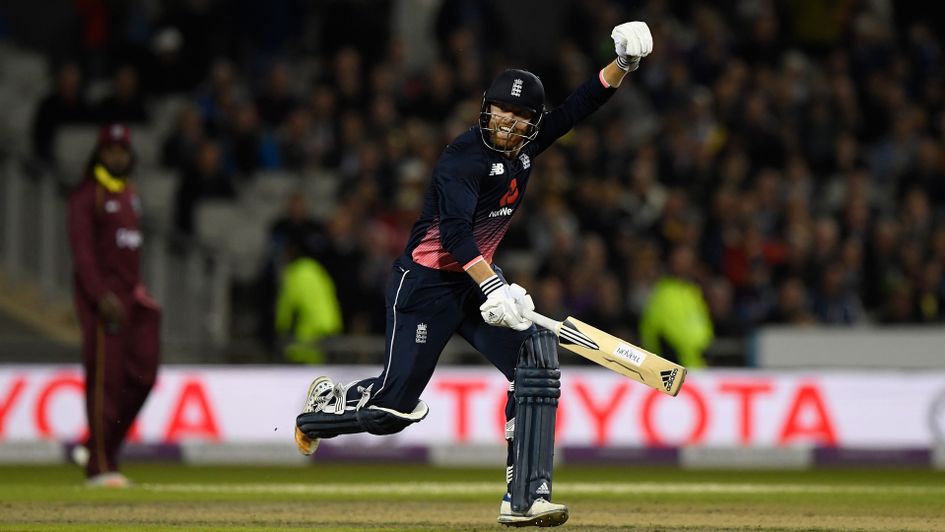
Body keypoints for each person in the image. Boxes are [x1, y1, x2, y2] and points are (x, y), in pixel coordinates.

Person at [294, 21, 653, 527]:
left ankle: (525, 496)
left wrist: (625, 65)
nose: (508, 121)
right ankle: (323, 408)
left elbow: (578, 107)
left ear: (532, 121)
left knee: (534, 366)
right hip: (426, 286)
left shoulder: (528, 147)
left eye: (520, 114)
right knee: (393, 410)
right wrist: (494, 285)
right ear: (487, 108)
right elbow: (458, 235)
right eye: (501, 109)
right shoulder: (460, 159)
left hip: (476, 283)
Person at [67, 123, 161, 487]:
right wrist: (98, 295)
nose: (117, 156)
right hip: (104, 301)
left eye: (123, 150)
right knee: (106, 382)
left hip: (132, 296)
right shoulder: (87, 195)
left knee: (144, 376)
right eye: (111, 150)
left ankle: (97, 447)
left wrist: (138, 290)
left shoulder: (130, 194)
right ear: (100, 154)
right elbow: (83, 253)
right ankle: (100, 467)